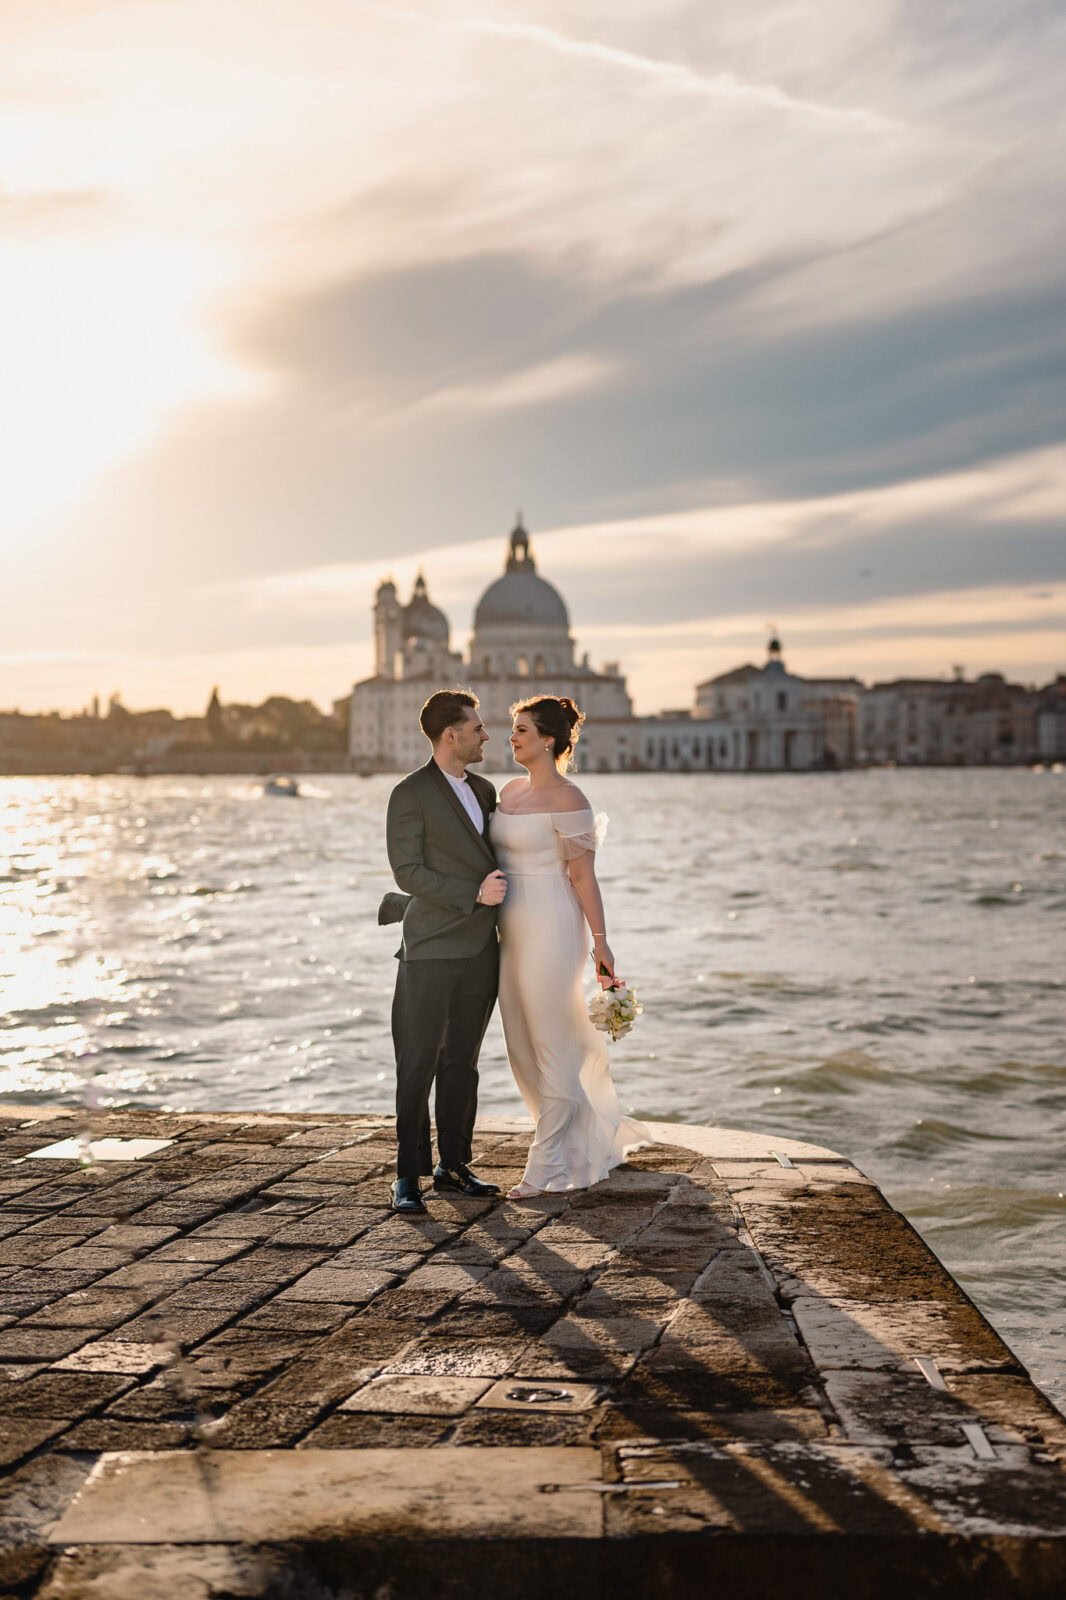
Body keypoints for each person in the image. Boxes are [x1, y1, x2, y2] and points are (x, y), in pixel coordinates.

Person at [490, 694, 647, 1198]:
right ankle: (569, 1137)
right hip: (508, 928)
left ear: (548, 740)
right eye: (513, 729)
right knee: (519, 1040)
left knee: (551, 1040)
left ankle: (545, 1166)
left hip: (554, 923)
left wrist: (602, 946)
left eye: (522, 730)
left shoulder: (571, 800)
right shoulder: (507, 792)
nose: (512, 737)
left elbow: (583, 877)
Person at [382, 689, 507, 1215]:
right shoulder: (408, 793)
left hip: (481, 947)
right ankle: (407, 1175)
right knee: (417, 1063)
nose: (486, 735)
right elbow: (407, 872)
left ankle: (453, 1165)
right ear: (450, 735)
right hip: (430, 946)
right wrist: (471, 894)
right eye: (477, 727)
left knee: (463, 1062)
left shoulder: (484, 789)